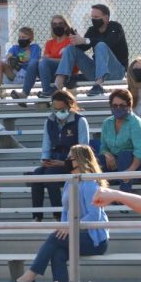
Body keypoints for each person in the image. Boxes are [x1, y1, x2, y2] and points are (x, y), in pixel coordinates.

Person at [17, 145, 109, 282]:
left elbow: (94, 215)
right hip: (76, 233)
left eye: (69, 158)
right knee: (57, 253)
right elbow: (66, 211)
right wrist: (65, 227)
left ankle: (31, 274)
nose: (66, 161)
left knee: (54, 238)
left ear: (79, 160)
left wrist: (71, 227)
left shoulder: (90, 183)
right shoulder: (70, 181)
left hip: (94, 239)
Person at [29, 90, 89, 221]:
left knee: (50, 175)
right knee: (37, 175)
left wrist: (65, 163)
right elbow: (46, 144)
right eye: (55, 109)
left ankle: (59, 214)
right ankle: (36, 216)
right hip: (54, 159)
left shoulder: (80, 121)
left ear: (69, 106)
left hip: (73, 162)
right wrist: (44, 159)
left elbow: (83, 149)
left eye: (61, 109)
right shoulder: (49, 121)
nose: (58, 112)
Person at [53, 4, 128, 97]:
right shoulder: (92, 30)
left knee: (101, 45)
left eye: (96, 17)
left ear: (106, 18)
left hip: (116, 72)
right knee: (70, 49)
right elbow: (83, 47)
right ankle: (57, 86)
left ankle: (98, 85)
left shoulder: (116, 27)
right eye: (92, 17)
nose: (93, 19)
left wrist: (85, 40)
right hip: (96, 71)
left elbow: (108, 42)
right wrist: (77, 42)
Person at [96, 89, 141, 192]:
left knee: (125, 155)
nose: (118, 108)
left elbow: (140, 153)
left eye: (122, 105)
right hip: (120, 162)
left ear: (129, 106)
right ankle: (98, 195)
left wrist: (130, 171)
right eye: (115, 105)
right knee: (98, 160)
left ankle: (124, 196)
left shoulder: (136, 123)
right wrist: (107, 154)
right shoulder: (107, 123)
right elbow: (103, 147)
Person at [0, 27, 41, 107]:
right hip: (12, 73)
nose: (21, 39)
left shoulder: (34, 47)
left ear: (31, 38)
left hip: (25, 75)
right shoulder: (15, 48)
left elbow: (33, 60)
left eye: (24, 37)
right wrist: (10, 60)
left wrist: (19, 58)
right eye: (19, 37)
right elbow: (8, 57)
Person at [37, 15, 79, 98]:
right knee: (34, 63)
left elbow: (69, 62)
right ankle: (25, 93)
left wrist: (50, 59)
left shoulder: (71, 40)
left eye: (60, 24)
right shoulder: (49, 43)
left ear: (66, 27)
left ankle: (46, 91)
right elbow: (46, 59)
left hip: (69, 73)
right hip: (53, 73)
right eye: (54, 25)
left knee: (43, 61)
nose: (57, 27)